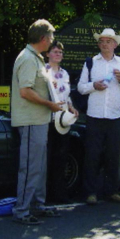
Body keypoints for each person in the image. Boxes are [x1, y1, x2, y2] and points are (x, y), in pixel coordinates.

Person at [11, 20, 64, 225]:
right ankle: (22, 210)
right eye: (50, 37)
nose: (52, 41)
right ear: (43, 38)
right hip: (31, 120)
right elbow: (25, 91)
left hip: (38, 119)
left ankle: (37, 205)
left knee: (38, 166)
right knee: (31, 167)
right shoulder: (28, 59)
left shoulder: (35, 58)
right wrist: (49, 104)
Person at [77, 28, 120, 205]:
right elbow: (81, 87)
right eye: (101, 41)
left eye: (108, 41)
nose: (104, 44)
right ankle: (90, 192)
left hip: (116, 116)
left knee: (113, 155)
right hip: (95, 115)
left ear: (115, 44)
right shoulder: (91, 62)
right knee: (92, 155)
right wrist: (94, 85)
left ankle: (111, 191)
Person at [45, 40, 78, 203]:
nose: (58, 54)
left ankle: (60, 194)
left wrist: (71, 107)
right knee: (49, 157)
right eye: (55, 51)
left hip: (63, 120)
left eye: (60, 52)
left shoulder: (64, 73)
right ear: (47, 54)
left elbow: (66, 95)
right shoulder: (43, 71)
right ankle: (46, 194)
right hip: (49, 119)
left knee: (61, 158)